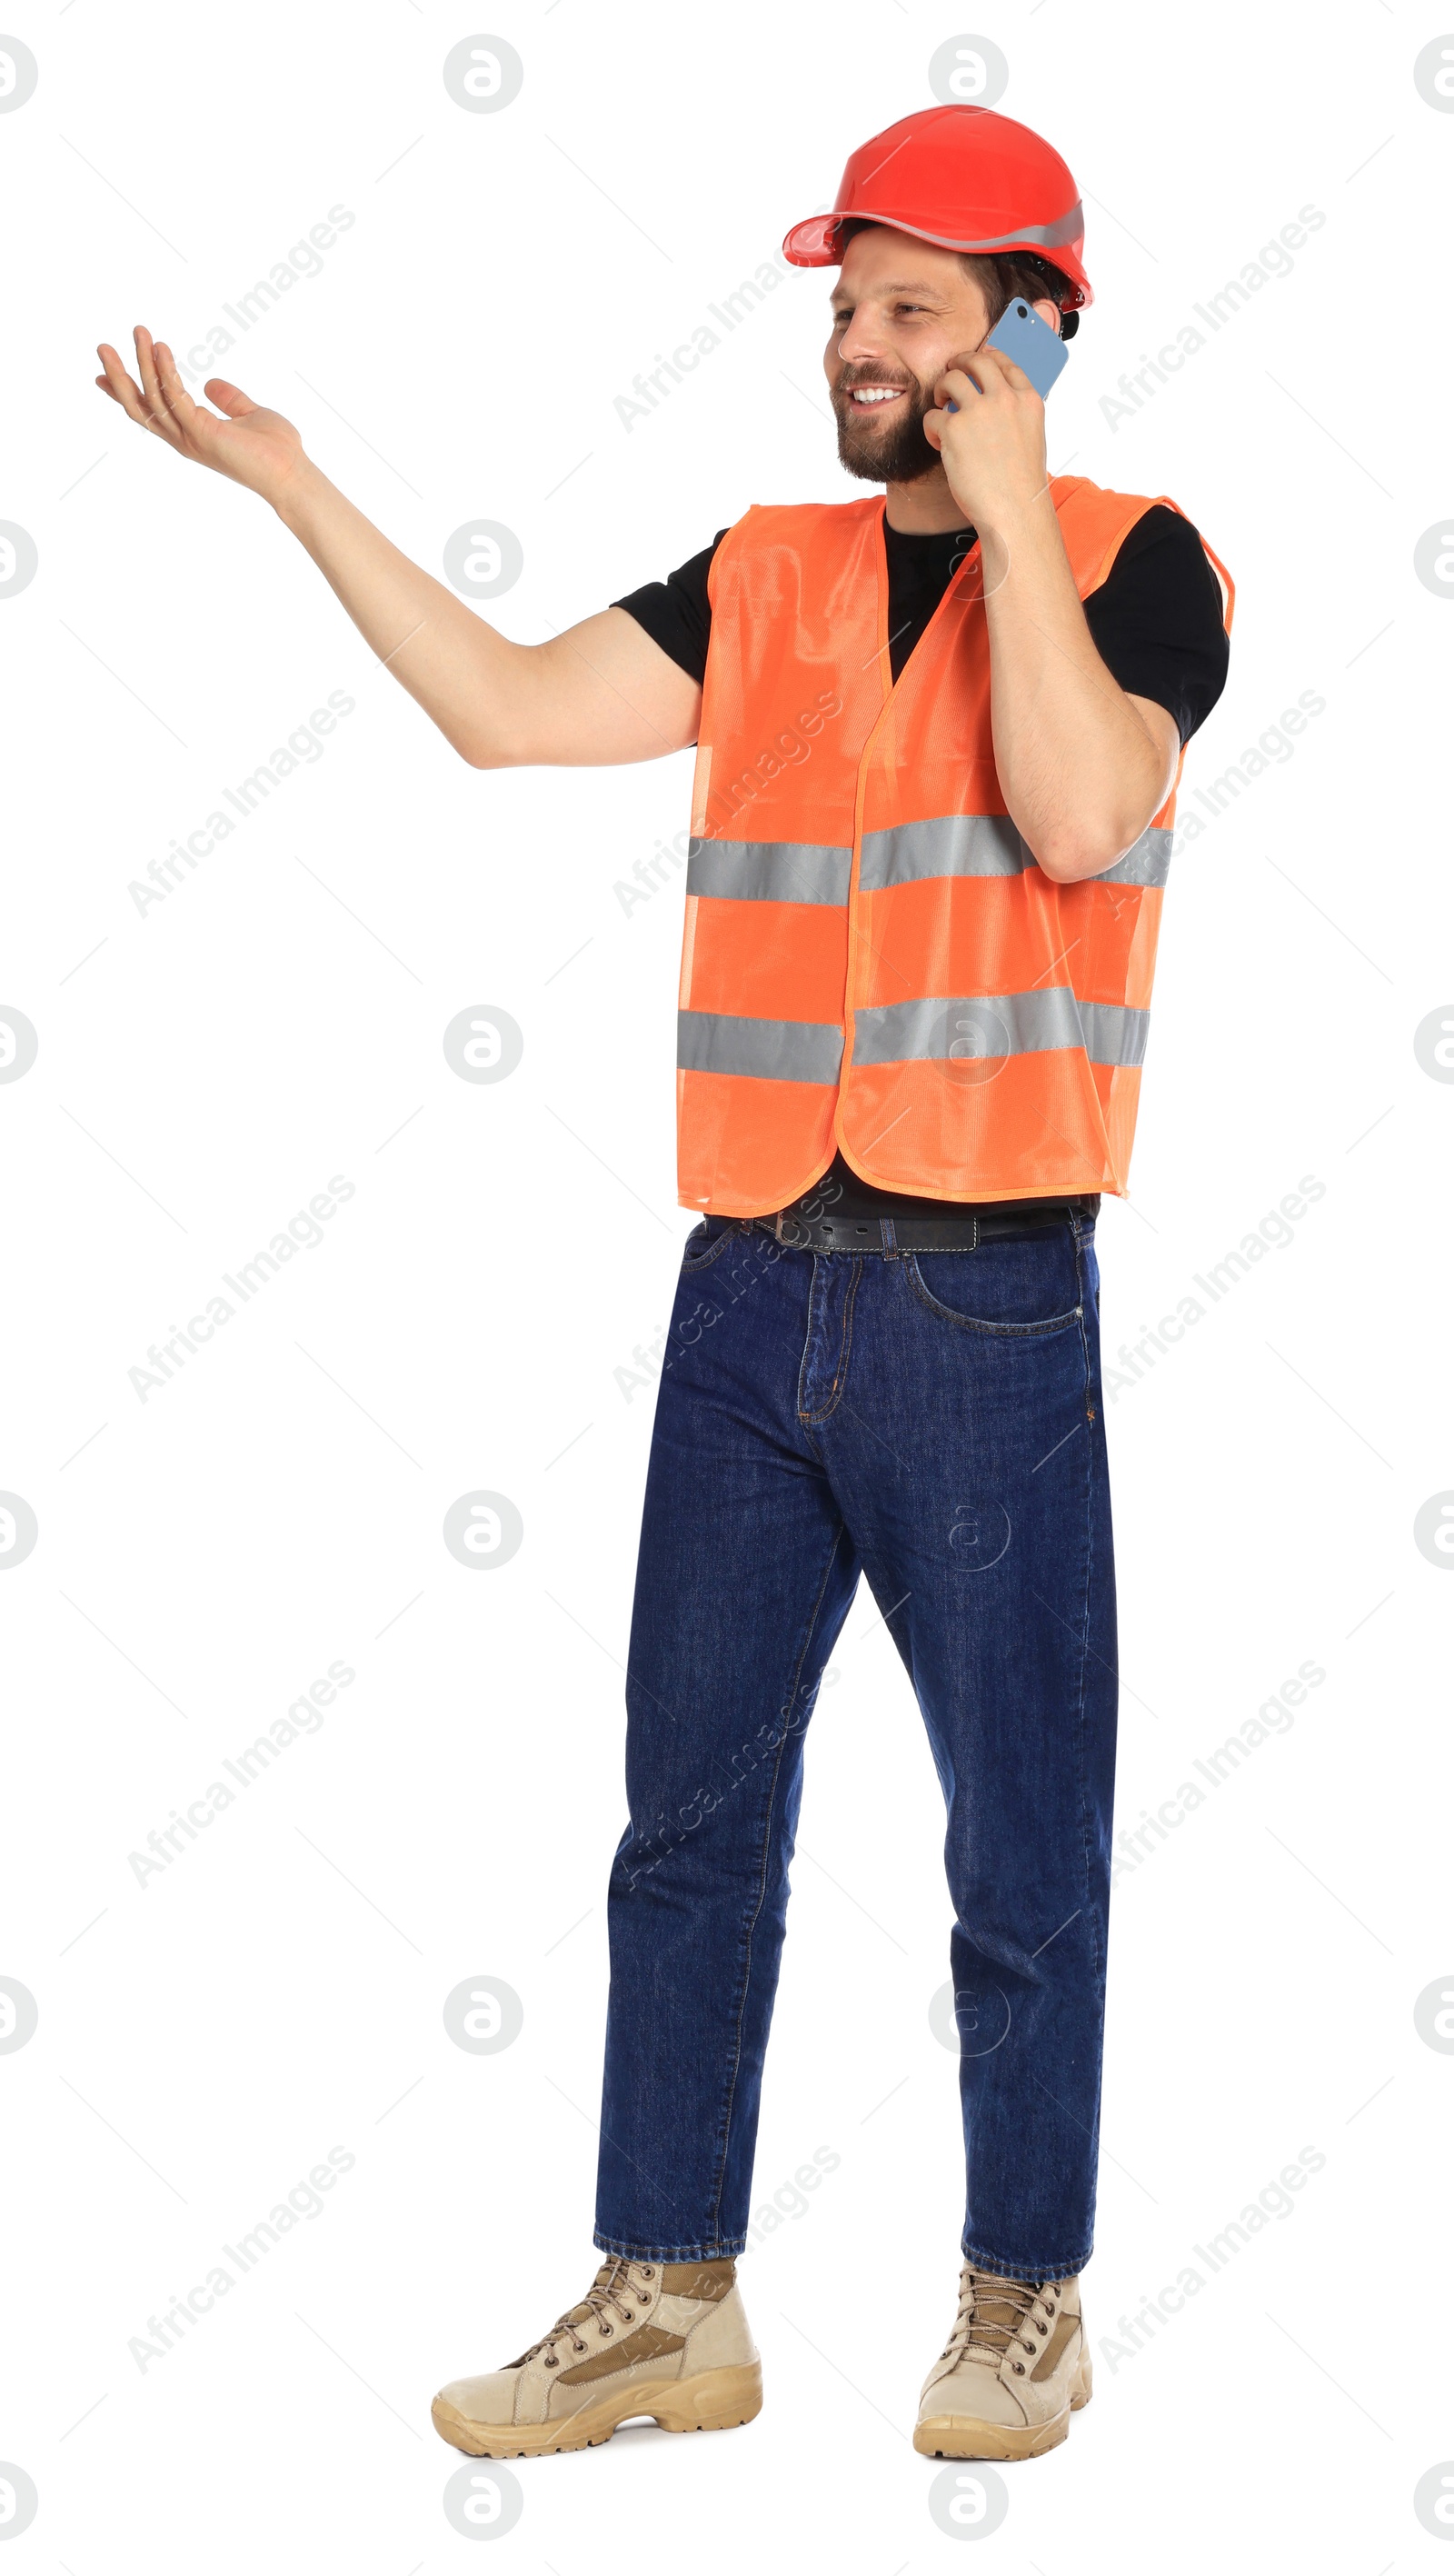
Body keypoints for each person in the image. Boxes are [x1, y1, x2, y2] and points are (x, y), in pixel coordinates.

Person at [96, 101, 1231, 2464]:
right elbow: (509, 711)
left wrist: (1012, 510)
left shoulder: (1140, 568)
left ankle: (1023, 2294)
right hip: (750, 1293)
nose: (858, 341)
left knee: (1022, 1837)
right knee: (689, 1827)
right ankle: (668, 2294)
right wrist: (295, 488)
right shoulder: (773, 572)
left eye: (913, 304)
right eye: (843, 304)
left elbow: (1075, 810)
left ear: (1033, 323)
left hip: (985, 1302)